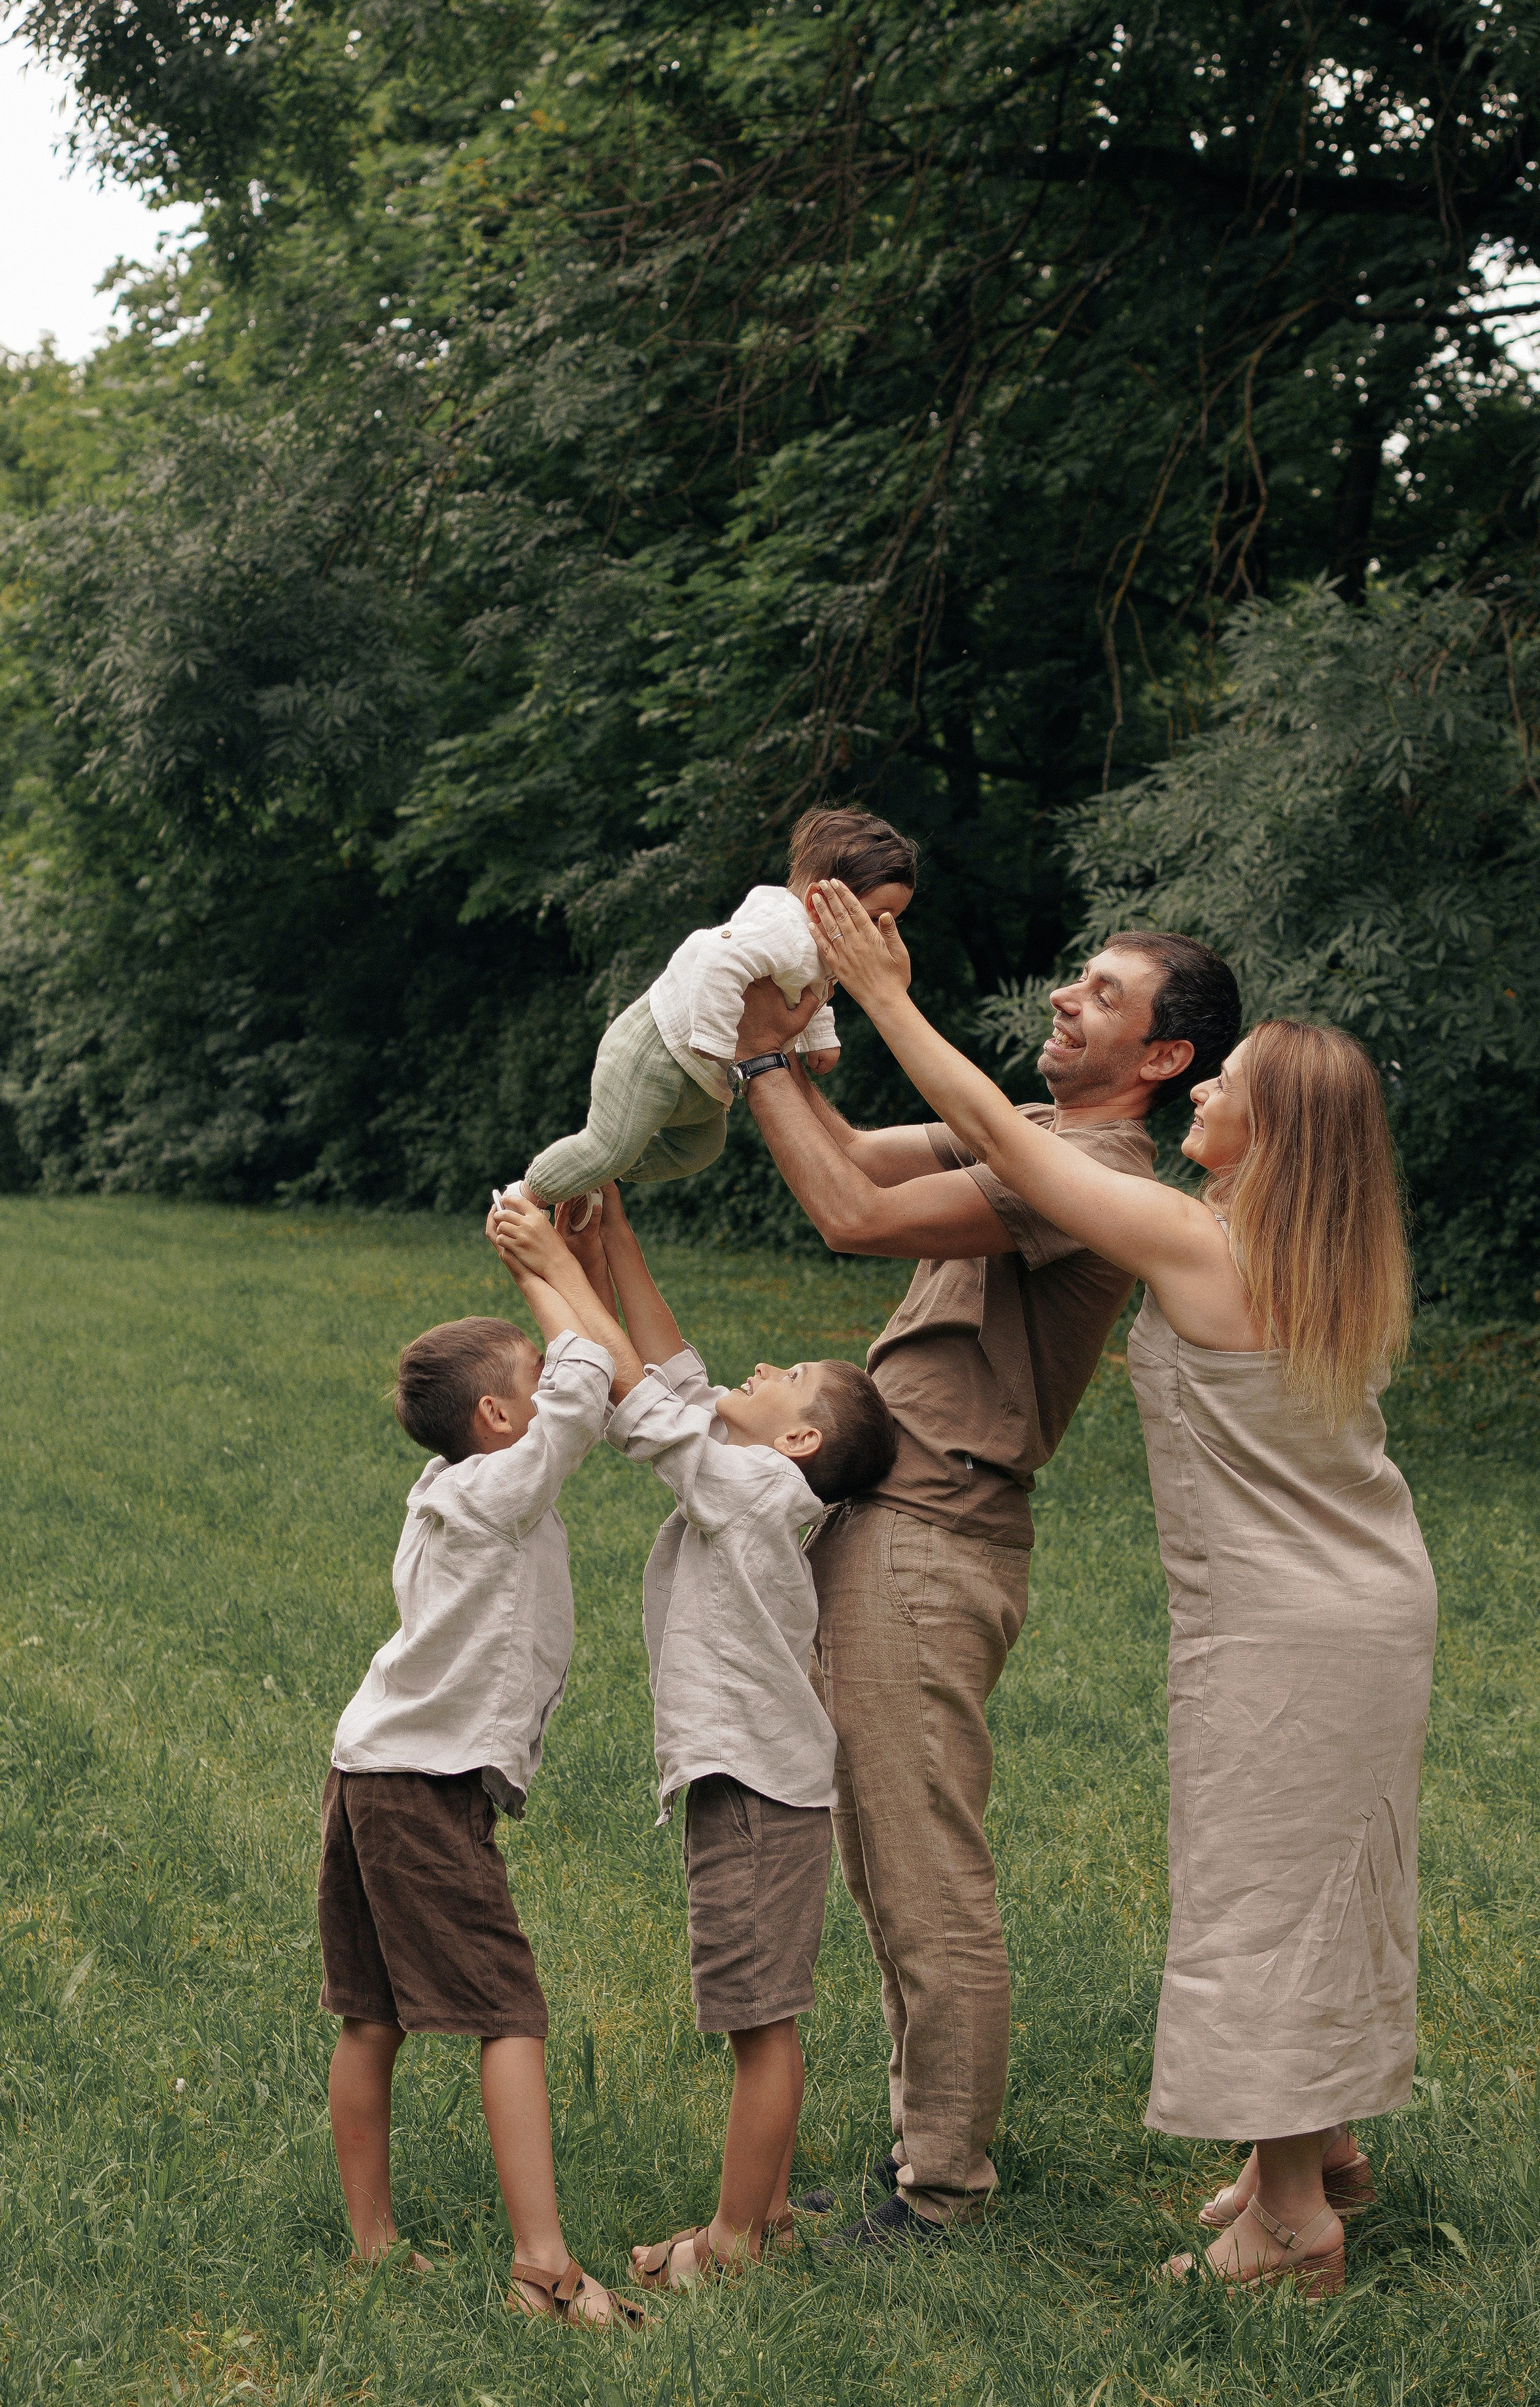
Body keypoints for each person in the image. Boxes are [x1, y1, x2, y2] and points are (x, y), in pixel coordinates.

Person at [808, 878, 1435, 2297]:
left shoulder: (1201, 1242)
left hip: (1285, 1626)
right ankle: (1313, 2149)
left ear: (1271, 1135)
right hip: (1357, 1608)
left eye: (1231, 1084)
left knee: (1258, 1894)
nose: (1203, 1091)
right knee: (1326, 1881)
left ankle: (1291, 2233)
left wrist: (889, 997)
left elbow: (1009, 1156)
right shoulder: (1306, 1255)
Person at [724, 921, 1242, 2244]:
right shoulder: (1023, 1127)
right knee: (883, 1863)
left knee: (921, 1873)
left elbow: (851, 1218)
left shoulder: (1088, 1171)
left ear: (1163, 1054)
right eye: (1078, 978)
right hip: (896, 1525)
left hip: (934, 1537)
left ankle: (942, 2190)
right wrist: (777, 1040)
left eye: (1104, 997)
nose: (1065, 998)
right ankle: (919, 2156)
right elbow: (839, 1157)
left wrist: (768, 1060)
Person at [494, 1188, 898, 2290]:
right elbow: (671, 1376)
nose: (762, 1372)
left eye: (790, 1381)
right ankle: (749, 2221)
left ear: (802, 1439)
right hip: (759, 1785)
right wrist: (607, 1239)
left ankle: (731, 2248)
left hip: (756, 1792)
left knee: (760, 2027)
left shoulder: (757, 1490)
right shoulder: (758, 1474)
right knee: (758, 2018)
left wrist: (543, 1266)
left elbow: (635, 1397)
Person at [318, 1203, 647, 2330]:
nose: (552, 1365)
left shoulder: (458, 1491)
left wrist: (544, 1269)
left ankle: (373, 2249)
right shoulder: (501, 1493)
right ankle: (541, 2269)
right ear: (502, 1416)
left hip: (372, 1771)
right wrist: (544, 1262)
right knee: (509, 2012)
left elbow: (573, 1374)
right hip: (420, 1792)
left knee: (373, 2016)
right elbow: (593, 1378)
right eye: (532, 1373)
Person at [517, 808, 917, 1219]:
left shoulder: (816, 946)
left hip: (703, 1078)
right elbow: (715, 956)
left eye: (891, 921)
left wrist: (822, 1039)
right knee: (608, 1148)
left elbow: (812, 990)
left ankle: (593, 1172)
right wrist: (715, 1037)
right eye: (871, 918)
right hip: (663, 1048)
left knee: (699, 1151)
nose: (879, 932)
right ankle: (525, 1198)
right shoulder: (785, 931)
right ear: (821, 900)